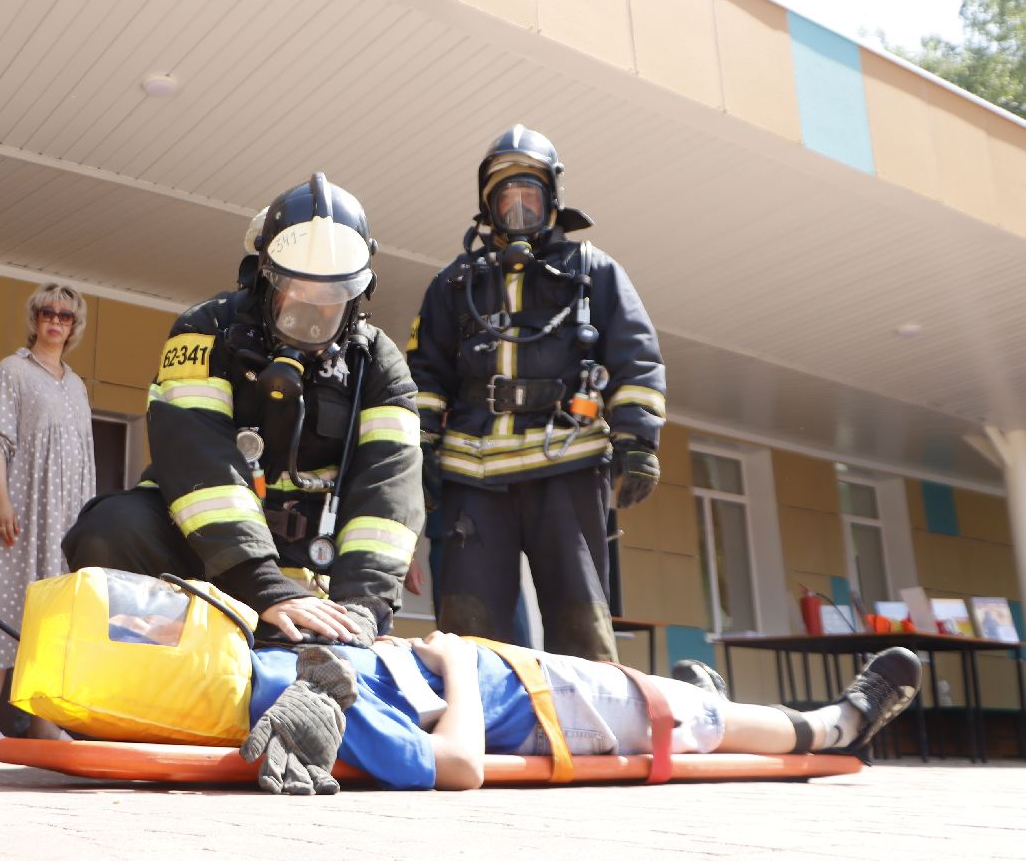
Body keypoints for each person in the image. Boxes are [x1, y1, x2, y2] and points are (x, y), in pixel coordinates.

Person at [64, 173, 425, 650]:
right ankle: (166, 659)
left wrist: (360, 614)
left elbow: (386, 496)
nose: (310, 314)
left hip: (311, 555)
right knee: (109, 530)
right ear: (262, 277)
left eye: (330, 300)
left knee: (340, 629)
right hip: (207, 546)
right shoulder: (206, 330)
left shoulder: (378, 364)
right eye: (293, 292)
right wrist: (263, 588)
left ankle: (297, 638)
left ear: (357, 297)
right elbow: (198, 461)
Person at [407, 125, 665, 661]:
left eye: (531, 193)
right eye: (507, 196)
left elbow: (636, 357)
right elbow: (424, 376)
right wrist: (419, 456)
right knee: (468, 627)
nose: (519, 206)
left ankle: (590, 736)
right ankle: (487, 733)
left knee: (581, 622)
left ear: (553, 200)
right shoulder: (454, 285)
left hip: (565, 466)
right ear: (489, 206)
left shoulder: (594, 272)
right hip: (472, 480)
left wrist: (638, 440)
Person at [238, 634, 922, 793]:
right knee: (688, 714)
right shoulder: (304, 702)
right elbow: (459, 767)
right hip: (540, 702)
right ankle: (840, 724)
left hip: (520, 675)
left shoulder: (262, 666)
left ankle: (704, 698)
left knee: (679, 701)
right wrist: (451, 665)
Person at [0, 286, 95, 752]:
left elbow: (83, 460)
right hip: (18, 509)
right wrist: (0, 501)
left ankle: (43, 725)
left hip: (64, 520)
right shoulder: (12, 371)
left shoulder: (77, 385)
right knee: (0, 608)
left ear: (74, 326)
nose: (55, 321)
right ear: (34, 318)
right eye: (46, 313)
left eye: (65, 315)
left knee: (54, 620)